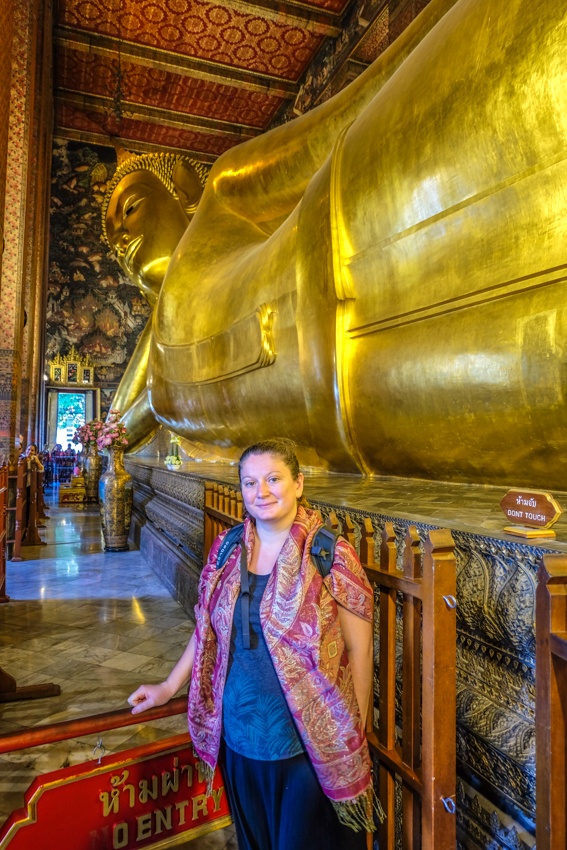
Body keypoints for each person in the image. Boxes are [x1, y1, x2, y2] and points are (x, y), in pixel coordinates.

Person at [128, 438, 382, 849]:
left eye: (273, 479)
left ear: (298, 484)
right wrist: (168, 687)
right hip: (240, 735)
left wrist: (354, 731)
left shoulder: (330, 555)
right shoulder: (228, 549)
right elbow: (208, 630)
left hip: (308, 742)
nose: (261, 492)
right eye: (249, 483)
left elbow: (360, 651)